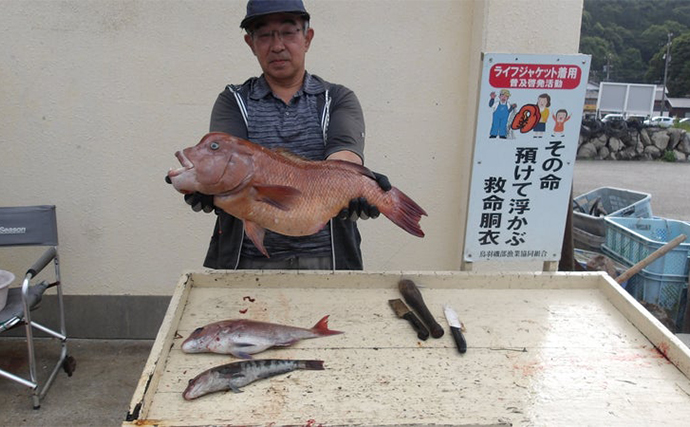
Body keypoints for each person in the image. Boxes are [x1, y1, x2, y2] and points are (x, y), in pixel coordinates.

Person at [181, 0, 390, 270]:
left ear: (307, 38)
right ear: (250, 43)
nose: (277, 45)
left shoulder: (337, 99)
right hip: (246, 262)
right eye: (265, 34)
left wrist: (357, 187)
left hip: (329, 261)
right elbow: (225, 162)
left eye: (288, 32)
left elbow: (344, 156)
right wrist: (205, 184)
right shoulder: (233, 100)